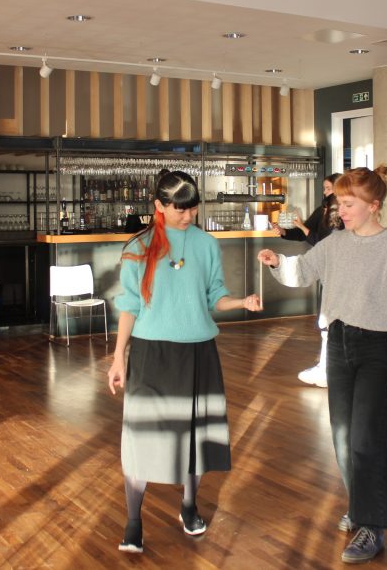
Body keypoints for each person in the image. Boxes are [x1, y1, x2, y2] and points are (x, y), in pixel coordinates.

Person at [257, 165, 387, 564]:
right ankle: (361, 507)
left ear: (374, 205)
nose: (341, 210)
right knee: (344, 438)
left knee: (369, 440)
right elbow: (303, 272)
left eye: (348, 204)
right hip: (340, 345)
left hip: (379, 350)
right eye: (339, 203)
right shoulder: (334, 244)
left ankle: (372, 525)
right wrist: (276, 262)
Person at [106, 170, 262, 554]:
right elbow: (128, 306)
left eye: (192, 209)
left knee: (195, 434)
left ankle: (189, 507)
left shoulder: (206, 244)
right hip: (150, 353)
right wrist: (118, 357)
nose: (187, 217)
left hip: (198, 351)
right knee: (142, 437)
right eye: (180, 210)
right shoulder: (138, 247)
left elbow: (215, 296)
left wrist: (240, 302)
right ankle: (133, 521)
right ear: (158, 206)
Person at [275, 173, 342, 387]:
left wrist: (302, 227)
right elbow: (306, 234)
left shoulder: (339, 214)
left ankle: (329, 366)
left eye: (328, 188)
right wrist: (285, 231)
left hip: (333, 270)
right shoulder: (322, 210)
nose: (325, 192)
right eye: (324, 188)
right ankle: (327, 365)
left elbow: (320, 240)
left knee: (331, 316)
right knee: (327, 316)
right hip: (325, 269)